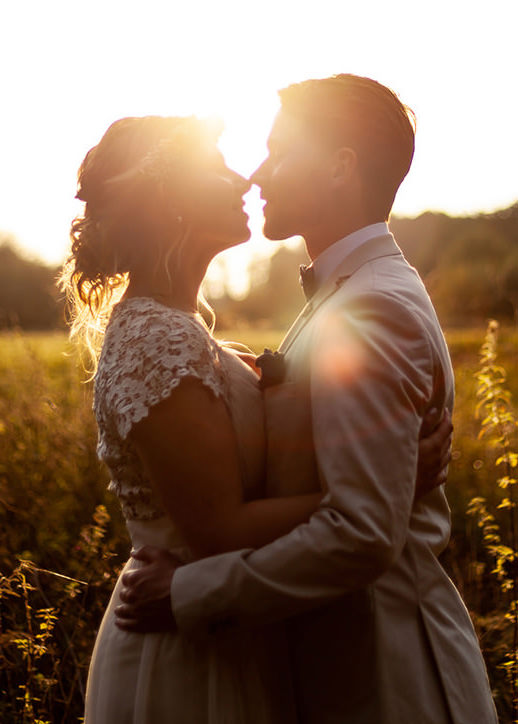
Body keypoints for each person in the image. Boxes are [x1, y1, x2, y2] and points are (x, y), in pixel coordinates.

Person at [116, 75, 498, 724]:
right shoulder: (348, 293)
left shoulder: (372, 308)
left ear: (339, 168)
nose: (256, 173)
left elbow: (362, 532)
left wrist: (188, 593)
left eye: (279, 152)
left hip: (390, 679)